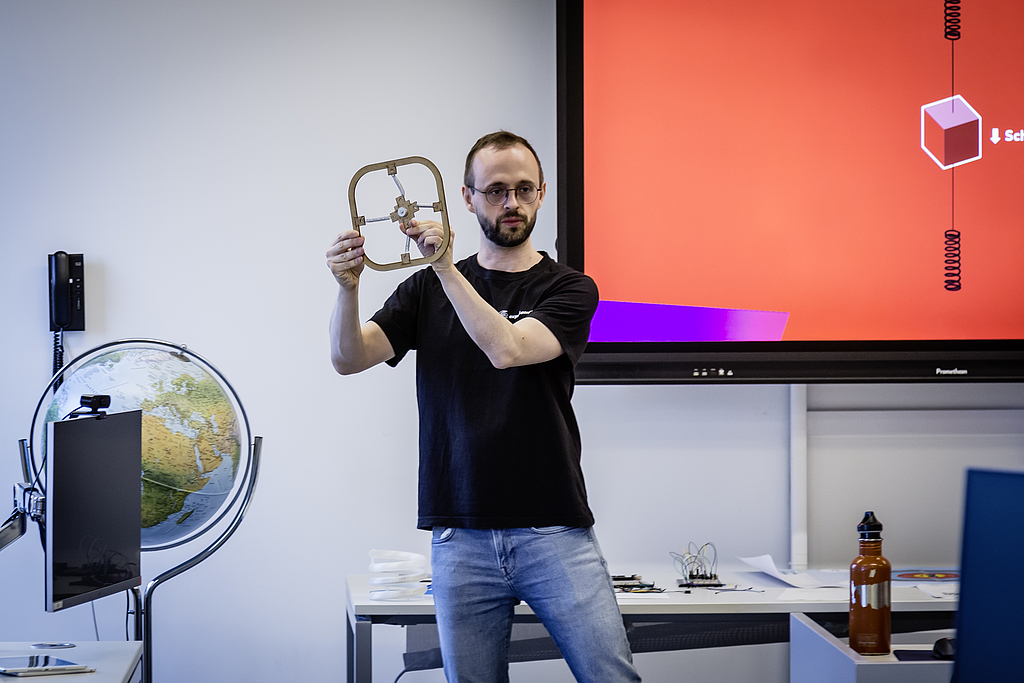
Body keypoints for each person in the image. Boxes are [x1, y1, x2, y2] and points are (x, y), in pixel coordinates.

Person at [326, 131, 641, 683]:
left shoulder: (570, 289)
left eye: (523, 189)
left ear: (542, 193)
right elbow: (348, 358)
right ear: (467, 198)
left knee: (611, 677)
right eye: (495, 190)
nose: (511, 203)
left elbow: (507, 349)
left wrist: (446, 268)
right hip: (459, 534)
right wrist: (347, 288)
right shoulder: (424, 291)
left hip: (553, 529)